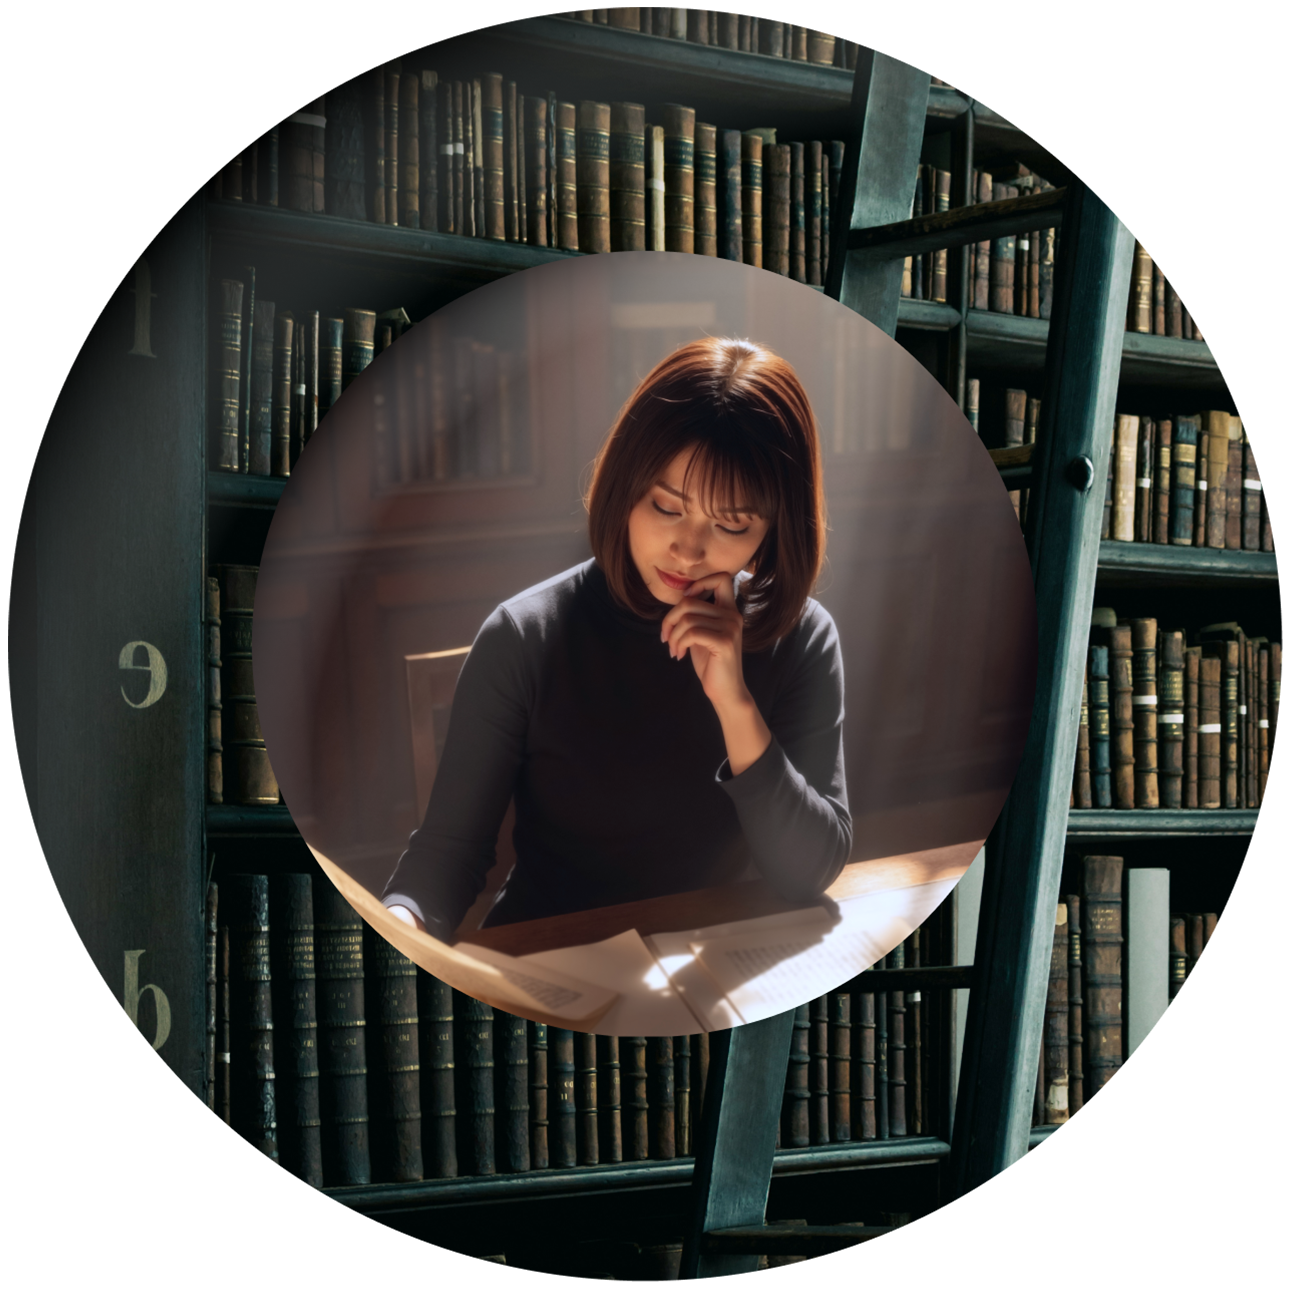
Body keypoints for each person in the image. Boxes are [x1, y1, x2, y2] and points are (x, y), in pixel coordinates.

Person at [383, 336, 851, 939]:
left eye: (731, 524)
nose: (689, 547)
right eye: (666, 507)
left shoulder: (802, 637)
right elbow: (445, 857)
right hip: (551, 964)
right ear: (625, 488)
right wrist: (403, 920)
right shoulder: (524, 635)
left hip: (711, 965)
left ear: (773, 530)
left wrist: (735, 705)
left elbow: (808, 874)